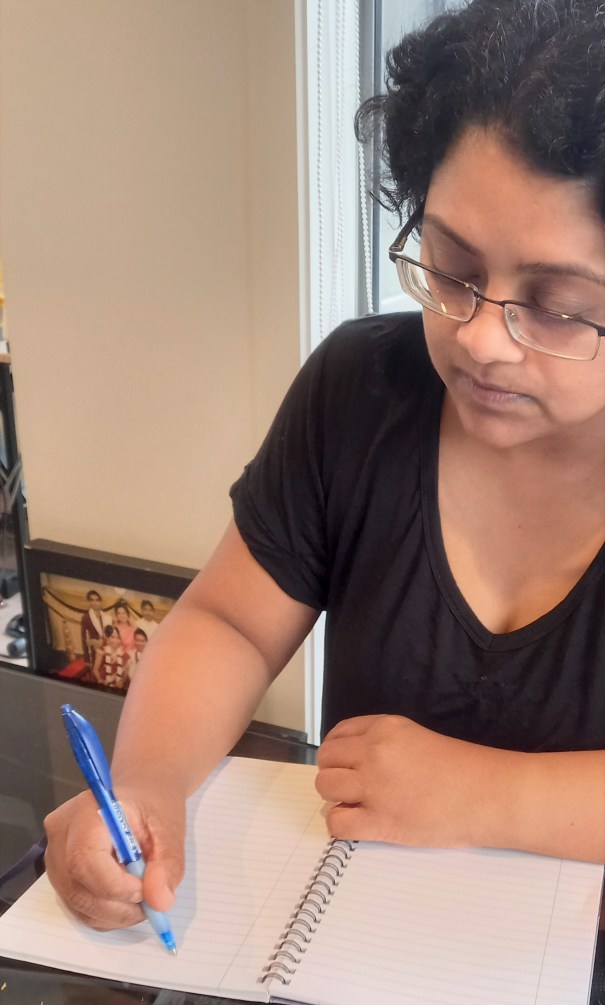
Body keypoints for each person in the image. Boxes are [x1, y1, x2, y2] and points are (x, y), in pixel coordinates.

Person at [44, 0, 605, 938]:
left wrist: (485, 794)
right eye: (453, 265)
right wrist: (149, 787)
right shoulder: (363, 388)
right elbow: (228, 620)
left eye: (555, 306)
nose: (479, 339)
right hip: (349, 952)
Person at [80, 589, 113, 667]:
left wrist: (103, 642)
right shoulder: (86, 617)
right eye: (92, 600)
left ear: (100, 602)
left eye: (97, 600)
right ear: (89, 602)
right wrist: (87, 659)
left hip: (106, 651)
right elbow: (84, 639)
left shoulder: (107, 617)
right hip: (93, 653)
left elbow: (111, 636)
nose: (95, 602)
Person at [92, 625, 130, 690]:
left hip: (118, 686)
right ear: (108, 639)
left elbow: (125, 675)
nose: (115, 640)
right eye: (112, 637)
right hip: (103, 683)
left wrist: (121, 681)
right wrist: (100, 680)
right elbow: (95, 670)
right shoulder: (101, 651)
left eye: (118, 638)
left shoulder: (125, 655)